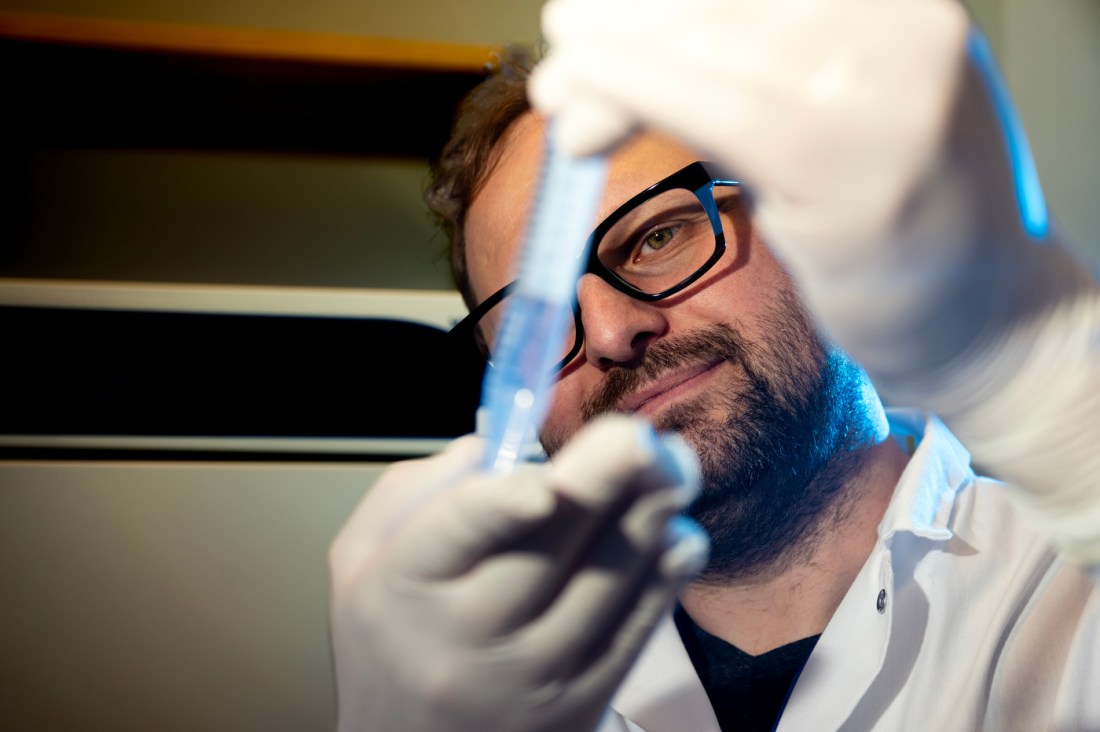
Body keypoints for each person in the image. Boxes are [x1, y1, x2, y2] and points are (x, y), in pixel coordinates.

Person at [328, 1, 1100, 730]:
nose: (608, 332)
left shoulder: (1070, 585)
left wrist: (1049, 378)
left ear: (812, 226)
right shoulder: (487, 679)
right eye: (533, 319)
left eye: (658, 237)